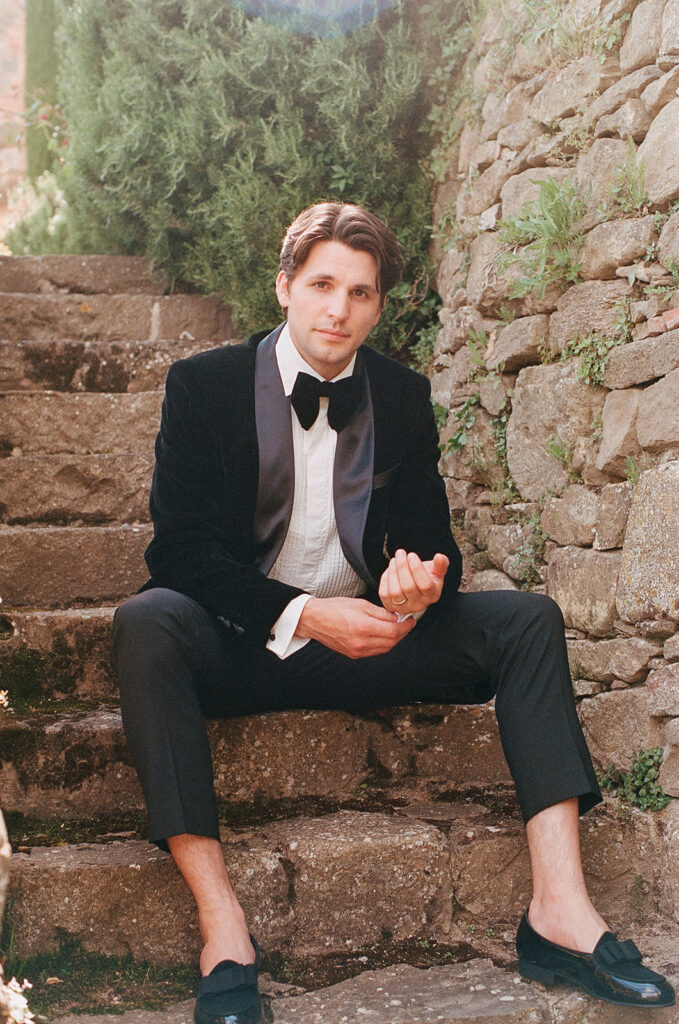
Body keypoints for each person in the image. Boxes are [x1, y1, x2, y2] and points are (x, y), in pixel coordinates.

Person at [112, 202, 675, 1024]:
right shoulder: (204, 387)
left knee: (526, 619)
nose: (338, 309)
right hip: (241, 649)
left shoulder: (403, 397)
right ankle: (224, 933)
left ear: (378, 306)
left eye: (361, 293)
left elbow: (428, 544)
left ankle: (560, 913)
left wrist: (417, 586)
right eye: (321, 285)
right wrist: (306, 614)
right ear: (284, 288)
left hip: (371, 645)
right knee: (146, 618)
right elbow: (182, 553)